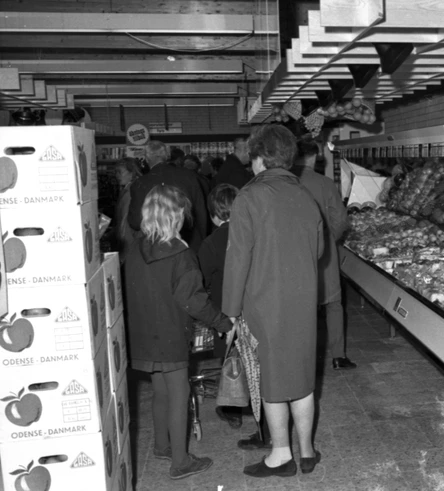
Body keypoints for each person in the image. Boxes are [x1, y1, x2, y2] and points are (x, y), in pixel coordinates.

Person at [223, 125, 324, 478]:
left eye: (253, 157)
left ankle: (281, 455)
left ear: (261, 157)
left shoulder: (249, 198)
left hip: (265, 302)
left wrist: (230, 313)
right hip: (302, 301)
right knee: (302, 375)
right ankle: (307, 451)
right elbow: (320, 250)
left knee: (273, 380)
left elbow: (237, 260)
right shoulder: (306, 197)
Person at [124, 184, 232, 480]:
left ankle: (162, 445)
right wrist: (223, 323)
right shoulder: (180, 255)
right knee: (180, 393)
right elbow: (194, 300)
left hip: (141, 335)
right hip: (170, 334)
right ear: (177, 216)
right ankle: (180, 462)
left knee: (160, 391)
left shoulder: (133, 250)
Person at [197, 184, 270, 446]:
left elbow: (201, 281)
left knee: (230, 363)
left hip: (224, 314)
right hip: (256, 309)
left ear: (214, 215)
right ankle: (258, 409)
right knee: (257, 363)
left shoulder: (210, 243)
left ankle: (232, 409)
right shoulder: (255, 232)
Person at [293, 140, 356, 370]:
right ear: (314, 157)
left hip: (294, 254)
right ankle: (338, 356)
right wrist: (331, 239)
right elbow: (340, 221)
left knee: (302, 307)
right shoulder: (325, 183)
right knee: (333, 304)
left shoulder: (287, 183)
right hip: (324, 254)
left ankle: (303, 358)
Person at [128, 140, 208, 252]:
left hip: (155, 249)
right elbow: (201, 213)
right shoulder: (189, 176)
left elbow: (135, 222)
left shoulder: (140, 184)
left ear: (146, 158)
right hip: (189, 244)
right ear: (167, 156)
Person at [114, 157, 142, 263]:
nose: (117, 175)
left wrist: (123, 254)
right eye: (116, 172)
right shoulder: (131, 189)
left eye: (120, 172)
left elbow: (125, 224)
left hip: (128, 245)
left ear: (132, 173)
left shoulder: (130, 193)